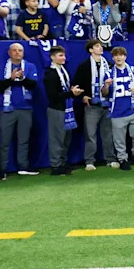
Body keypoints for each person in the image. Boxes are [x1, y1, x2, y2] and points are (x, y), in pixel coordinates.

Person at [0, 42, 39, 177]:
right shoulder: (1, 66)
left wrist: (22, 78)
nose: (17, 53)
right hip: (7, 109)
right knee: (4, 141)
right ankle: (2, 170)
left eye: (20, 50)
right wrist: (11, 79)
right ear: (9, 52)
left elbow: (33, 84)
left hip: (25, 108)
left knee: (24, 140)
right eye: (15, 50)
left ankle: (23, 166)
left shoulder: (29, 66)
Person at [73, 39, 117, 171]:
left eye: (101, 46)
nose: (100, 48)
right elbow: (76, 85)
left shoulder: (108, 64)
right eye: (97, 46)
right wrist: (83, 96)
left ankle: (110, 158)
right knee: (90, 134)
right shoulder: (84, 66)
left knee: (108, 134)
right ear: (91, 50)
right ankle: (90, 161)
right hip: (92, 105)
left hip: (107, 104)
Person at [103, 46, 134, 171]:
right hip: (117, 111)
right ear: (113, 58)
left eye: (121, 55)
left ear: (125, 57)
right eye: (116, 55)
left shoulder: (133, 70)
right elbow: (104, 93)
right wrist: (106, 85)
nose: (118, 57)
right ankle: (122, 159)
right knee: (119, 139)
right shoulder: (108, 73)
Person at [43, 45, 82, 176]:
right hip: (57, 109)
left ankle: (63, 162)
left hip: (67, 108)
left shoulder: (63, 71)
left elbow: (64, 90)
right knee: (56, 138)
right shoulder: (50, 74)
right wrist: (71, 93)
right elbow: (53, 96)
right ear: (52, 57)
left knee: (66, 138)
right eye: (60, 55)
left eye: (64, 55)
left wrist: (71, 91)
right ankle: (55, 165)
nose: (63, 58)